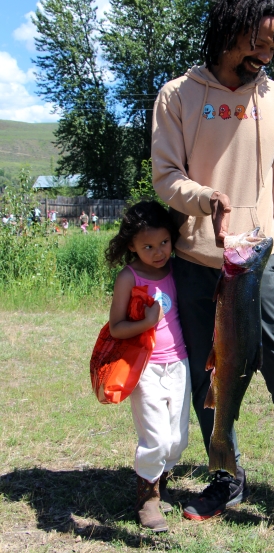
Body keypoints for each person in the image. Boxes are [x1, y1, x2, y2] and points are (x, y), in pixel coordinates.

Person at [151, 0, 274, 553]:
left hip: (260, 265)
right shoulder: (178, 95)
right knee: (209, 380)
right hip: (197, 265)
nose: (265, 56)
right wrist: (207, 199)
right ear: (227, 30)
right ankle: (226, 477)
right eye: (256, 42)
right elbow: (165, 176)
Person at [105, 200, 191, 532]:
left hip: (179, 364)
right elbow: (116, 327)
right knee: (155, 435)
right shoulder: (129, 277)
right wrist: (148, 322)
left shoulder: (177, 270)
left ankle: (161, 481)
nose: (158, 252)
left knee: (177, 439)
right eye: (148, 246)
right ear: (132, 245)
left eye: (164, 243)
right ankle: (147, 499)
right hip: (145, 368)